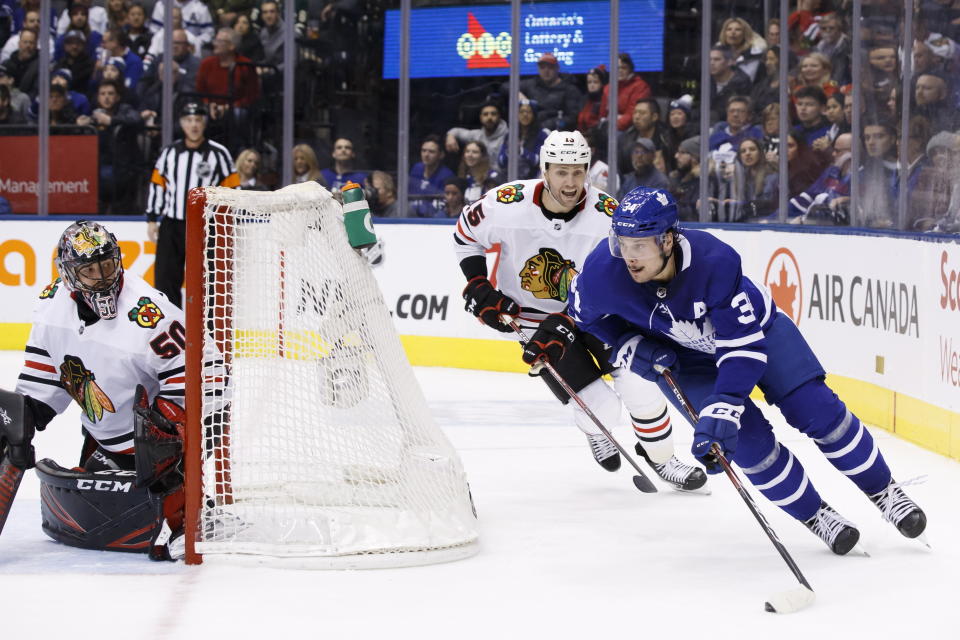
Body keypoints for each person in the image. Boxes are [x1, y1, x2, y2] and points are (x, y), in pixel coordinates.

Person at [554, 186, 927, 554]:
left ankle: (884, 490)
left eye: (640, 245)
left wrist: (726, 404)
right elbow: (585, 317)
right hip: (686, 362)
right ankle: (816, 515)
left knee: (820, 412)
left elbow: (743, 347)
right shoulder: (603, 271)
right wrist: (625, 343)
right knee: (748, 448)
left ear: (668, 240)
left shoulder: (714, 261)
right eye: (621, 243)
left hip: (757, 335)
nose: (628, 257)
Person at [453, 130, 706, 491]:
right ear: (545, 170)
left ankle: (664, 459)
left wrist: (577, 317)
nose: (570, 182)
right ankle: (596, 430)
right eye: (561, 172)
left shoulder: (608, 215)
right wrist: (478, 284)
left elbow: (629, 273)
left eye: (577, 172)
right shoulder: (506, 203)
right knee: (603, 409)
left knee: (640, 385)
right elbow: (465, 235)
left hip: (597, 313)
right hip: (537, 325)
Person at [7, 220, 191, 561]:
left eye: (107, 265)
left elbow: (204, 376)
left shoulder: (151, 315)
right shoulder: (50, 305)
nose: (103, 277)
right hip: (104, 441)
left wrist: (166, 434)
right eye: (90, 270)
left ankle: (182, 495)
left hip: (161, 451)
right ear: (69, 273)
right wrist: (22, 422)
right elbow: (46, 376)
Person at [146, 102, 239, 307]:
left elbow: (233, 190)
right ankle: (170, 325)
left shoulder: (218, 153)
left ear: (204, 124)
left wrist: (227, 221)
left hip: (207, 227)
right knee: (165, 280)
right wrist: (152, 219)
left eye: (198, 120)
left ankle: (211, 330)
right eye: (189, 120)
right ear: (182, 124)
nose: (194, 125)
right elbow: (157, 184)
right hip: (173, 225)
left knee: (209, 281)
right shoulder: (169, 153)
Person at [518, 52, 583, 131]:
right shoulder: (532, 84)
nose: (546, 71)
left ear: (557, 68)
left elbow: (572, 118)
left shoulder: (570, 90)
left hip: (558, 134)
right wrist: (518, 94)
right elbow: (505, 87)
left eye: (550, 67)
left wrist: (548, 126)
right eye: (542, 67)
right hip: (533, 131)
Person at [446, 101, 508, 173]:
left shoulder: (508, 137)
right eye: (485, 114)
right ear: (481, 118)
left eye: (493, 114)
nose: (489, 117)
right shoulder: (477, 135)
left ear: (499, 117)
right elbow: (456, 131)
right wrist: (450, 136)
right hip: (481, 177)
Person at [599, 52, 651, 131]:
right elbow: (602, 114)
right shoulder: (608, 88)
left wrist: (614, 127)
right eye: (617, 68)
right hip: (608, 129)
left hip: (628, 130)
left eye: (623, 68)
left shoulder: (640, 87)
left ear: (630, 69)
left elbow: (633, 113)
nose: (620, 71)